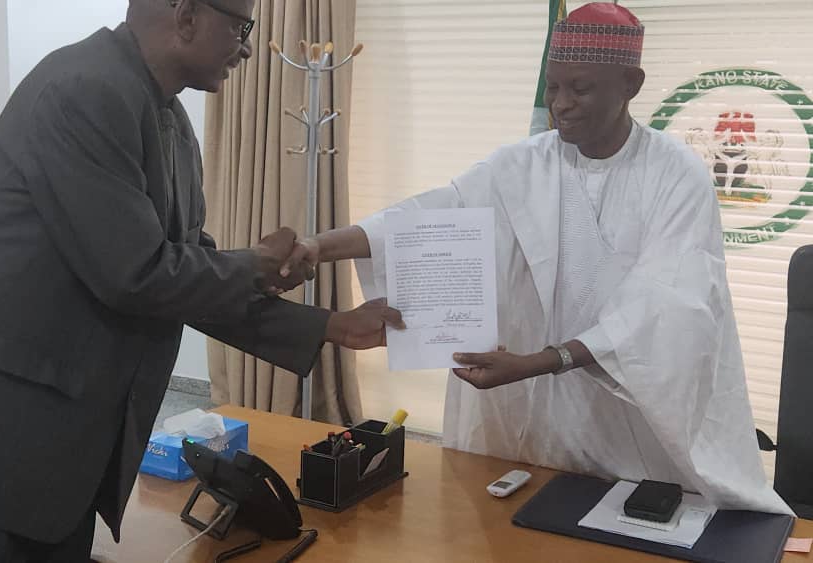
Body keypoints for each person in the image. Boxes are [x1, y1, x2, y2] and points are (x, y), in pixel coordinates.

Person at [0, 0, 403, 560]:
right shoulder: (85, 89)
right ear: (185, 17)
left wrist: (332, 326)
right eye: (241, 25)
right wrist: (253, 265)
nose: (248, 45)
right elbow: (135, 274)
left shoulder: (167, 115)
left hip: (46, 443)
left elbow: (181, 269)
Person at [284, 2, 790, 514]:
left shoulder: (677, 175)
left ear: (630, 85)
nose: (560, 104)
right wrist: (319, 246)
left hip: (632, 421)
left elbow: (664, 308)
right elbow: (427, 218)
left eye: (581, 88)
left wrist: (545, 361)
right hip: (530, 418)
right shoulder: (521, 164)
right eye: (553, 87)